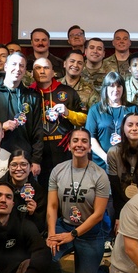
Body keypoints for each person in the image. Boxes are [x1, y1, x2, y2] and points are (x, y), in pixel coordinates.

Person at [45, 128, 111, 273]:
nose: (79, 144)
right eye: (75, 140)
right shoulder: (58, 170)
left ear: (89, 147)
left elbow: (98, 214)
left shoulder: (100, 175)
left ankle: (103, 270)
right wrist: (51, 233)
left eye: (84, 141)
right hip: (65, 225)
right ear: (69, 145)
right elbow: (52, 206)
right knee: (44, 253)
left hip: (91, 232)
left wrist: (73, 235)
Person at [31, 57, 86, 188]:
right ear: (32, 73)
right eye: (38, 68)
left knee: (64, 188)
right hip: (36, 152)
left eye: (46, 68)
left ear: (53, 72)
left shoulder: (68, 92)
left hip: (63, 150)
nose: (42, 71)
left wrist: (68, 112)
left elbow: (84, 119)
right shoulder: (28, 93)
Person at [85, 71, 138, 170]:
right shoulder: (95, 110)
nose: (115, 89)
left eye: (119, 86)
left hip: (127, 162)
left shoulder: (132, 109)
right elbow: (91, 138)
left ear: (123, 88)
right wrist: (106, 158)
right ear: (105, 88)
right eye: (111, 86)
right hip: (101, 164)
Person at [0, 149, 47, 235]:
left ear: (31, 167)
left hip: (27, 236)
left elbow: (41, 226)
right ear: (8, 167)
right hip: (1, 233)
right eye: (14, 165)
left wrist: (33, 214)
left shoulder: (39, 191)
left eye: (23, 164)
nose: (18, 168)